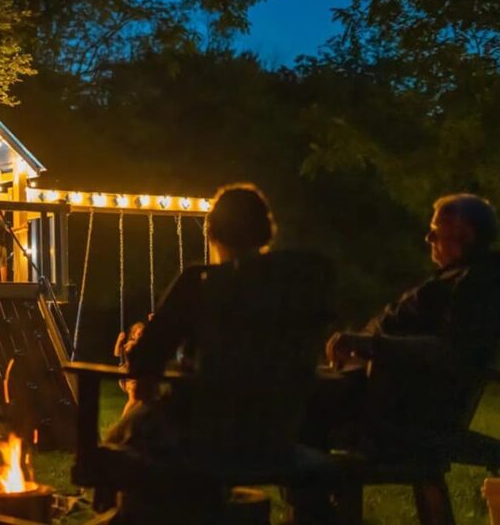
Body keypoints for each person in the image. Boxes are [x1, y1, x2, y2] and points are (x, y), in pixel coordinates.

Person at [291, 194, 500, 523]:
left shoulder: (482, 284)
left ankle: (310, 511)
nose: (428, 239)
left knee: (293, 397)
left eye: (435, 231)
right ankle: (311, 508)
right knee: (295, 387)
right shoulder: (458, 277)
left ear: (466, 234)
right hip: (378, 387)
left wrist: (372, 345)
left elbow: (451, 351)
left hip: (401, 406)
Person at [107, 184, 334, 523]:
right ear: (265, 231)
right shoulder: (303, 285)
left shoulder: (201, 283)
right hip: (279, 435)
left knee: (123, 440)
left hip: (206, 438)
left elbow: (143, 360)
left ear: (212, 232)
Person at [114, 321, 145, 418]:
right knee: (133, 400)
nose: (141, 336)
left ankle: (133, 422)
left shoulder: (145, 345)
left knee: (142, 400)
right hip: (128, 377)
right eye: (139, 334)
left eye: (143, 334)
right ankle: (122, 422)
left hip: (137, 376)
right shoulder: (131, 344)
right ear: (133, 335)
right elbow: (117, 353)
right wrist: (119, 341)